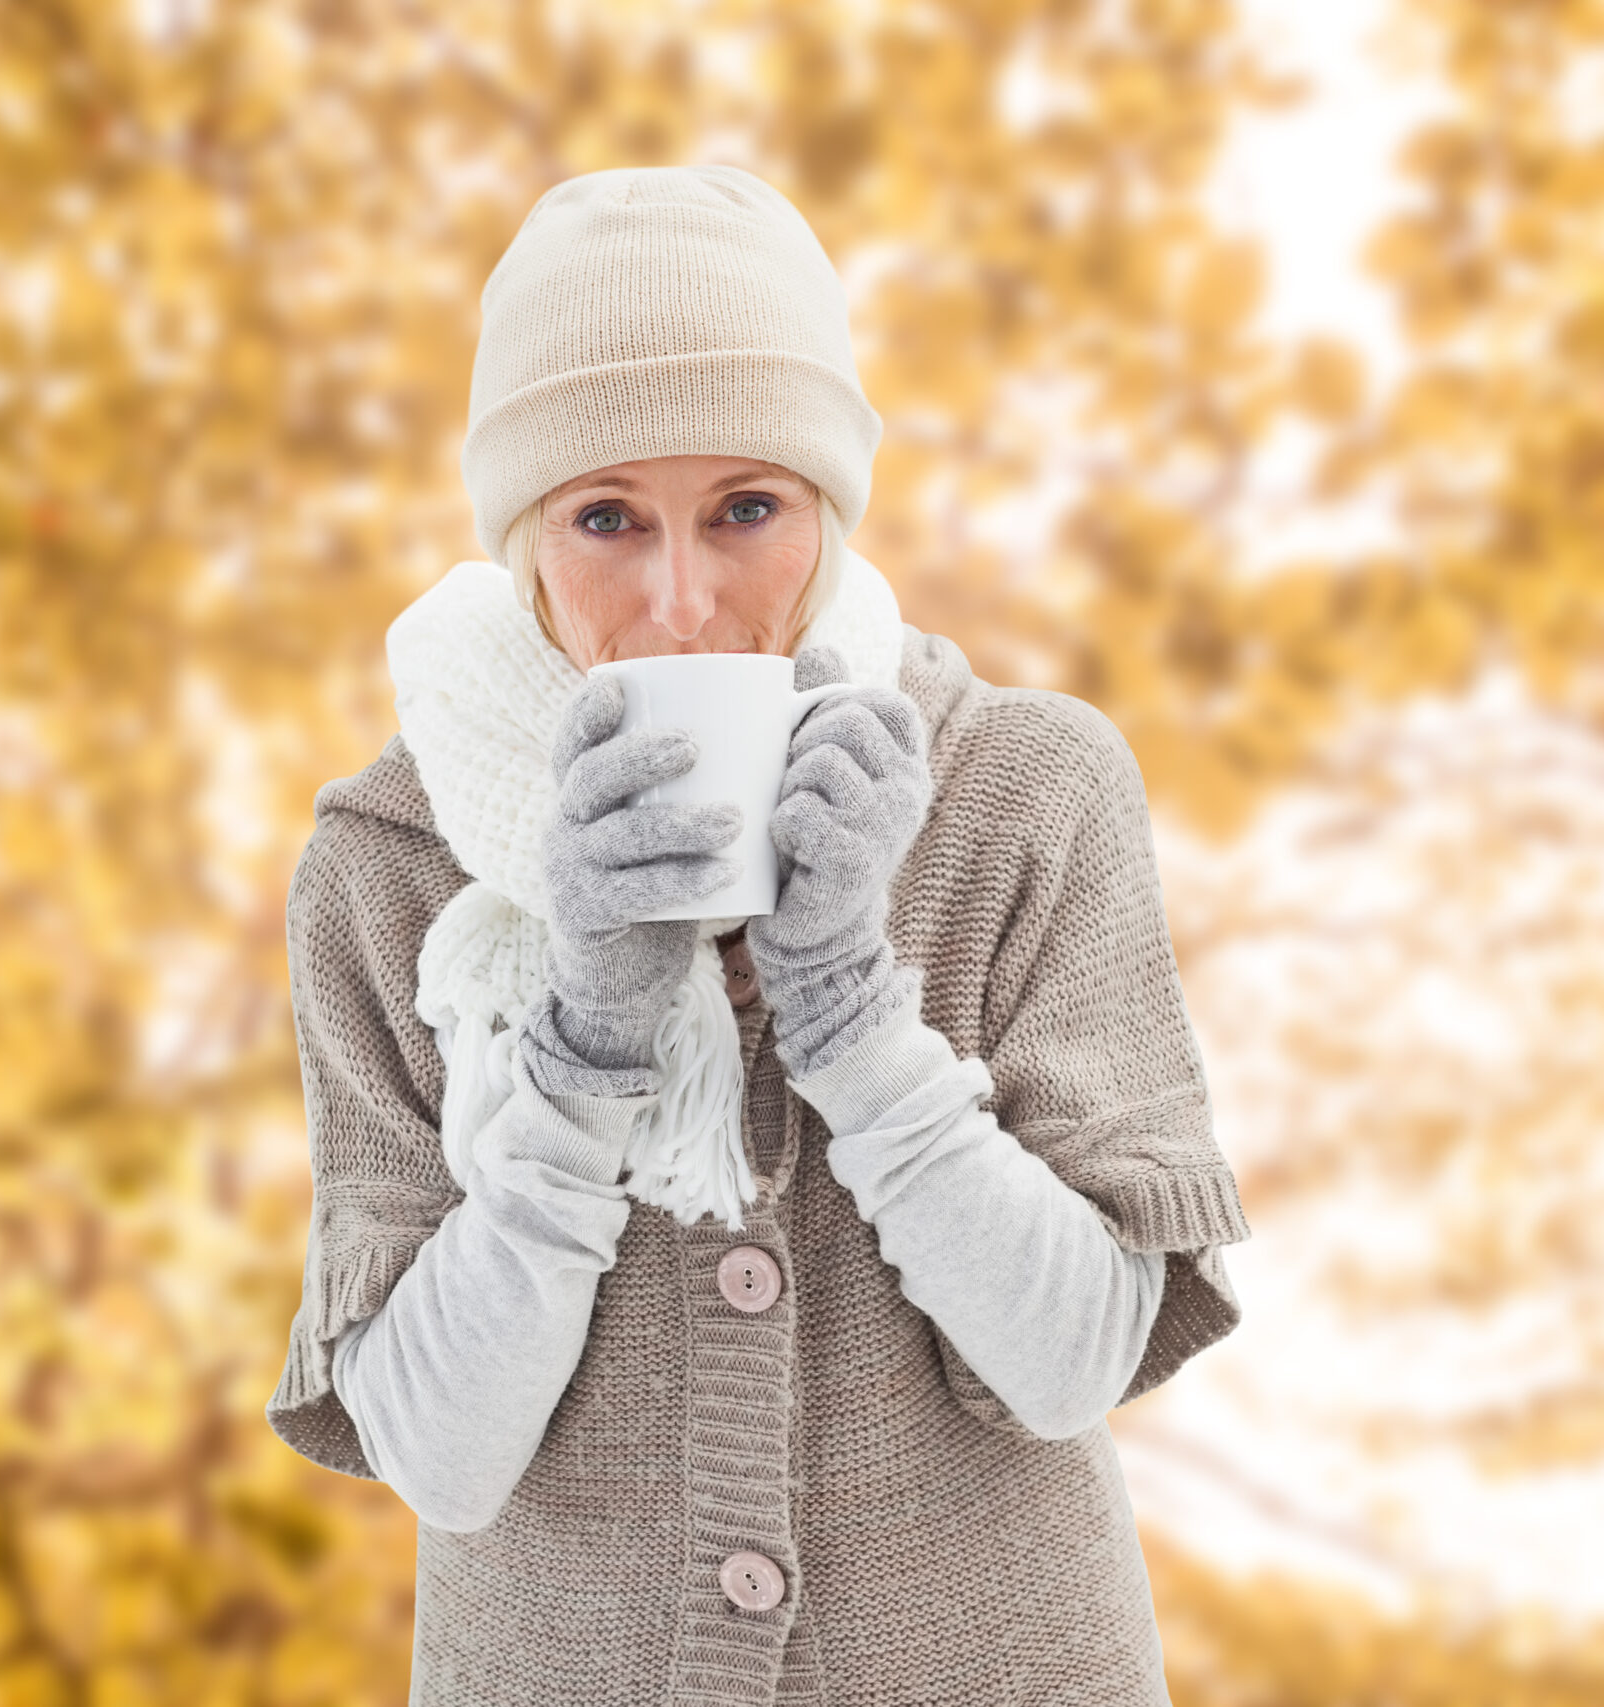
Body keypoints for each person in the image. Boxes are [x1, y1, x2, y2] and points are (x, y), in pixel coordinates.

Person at [263, 165, 1253, 1706]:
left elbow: (1073, 1363)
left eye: (747, 509)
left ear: (830, 510)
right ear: (522, 533)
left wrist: (850, 1009)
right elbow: (441, 1462)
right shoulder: (388, 876)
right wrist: (584, 1043)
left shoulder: (1022, 791)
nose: (682, 603)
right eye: (606, 518)